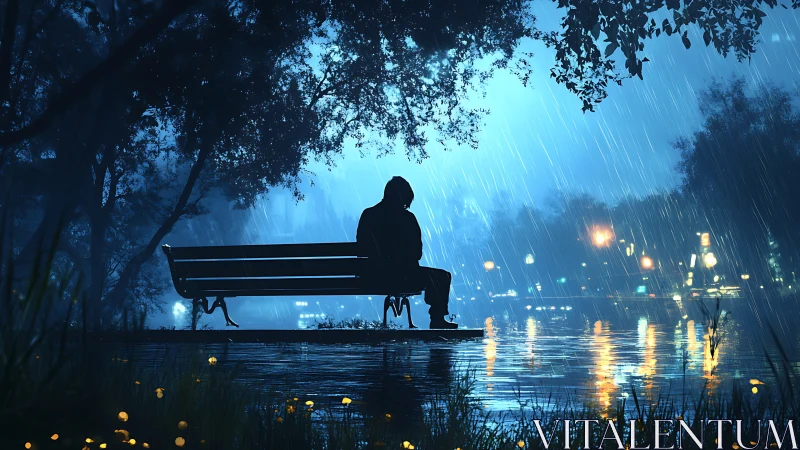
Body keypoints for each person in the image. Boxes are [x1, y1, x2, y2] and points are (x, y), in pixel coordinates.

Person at [356, 176, 458, 329]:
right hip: (405, 277)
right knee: (442, 277)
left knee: (436, 276)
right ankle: (437, 318)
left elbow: (361, 249)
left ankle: (437, 318)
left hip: (372, 277)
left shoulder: (369, 215)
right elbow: (417, 253)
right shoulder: (408, 219)